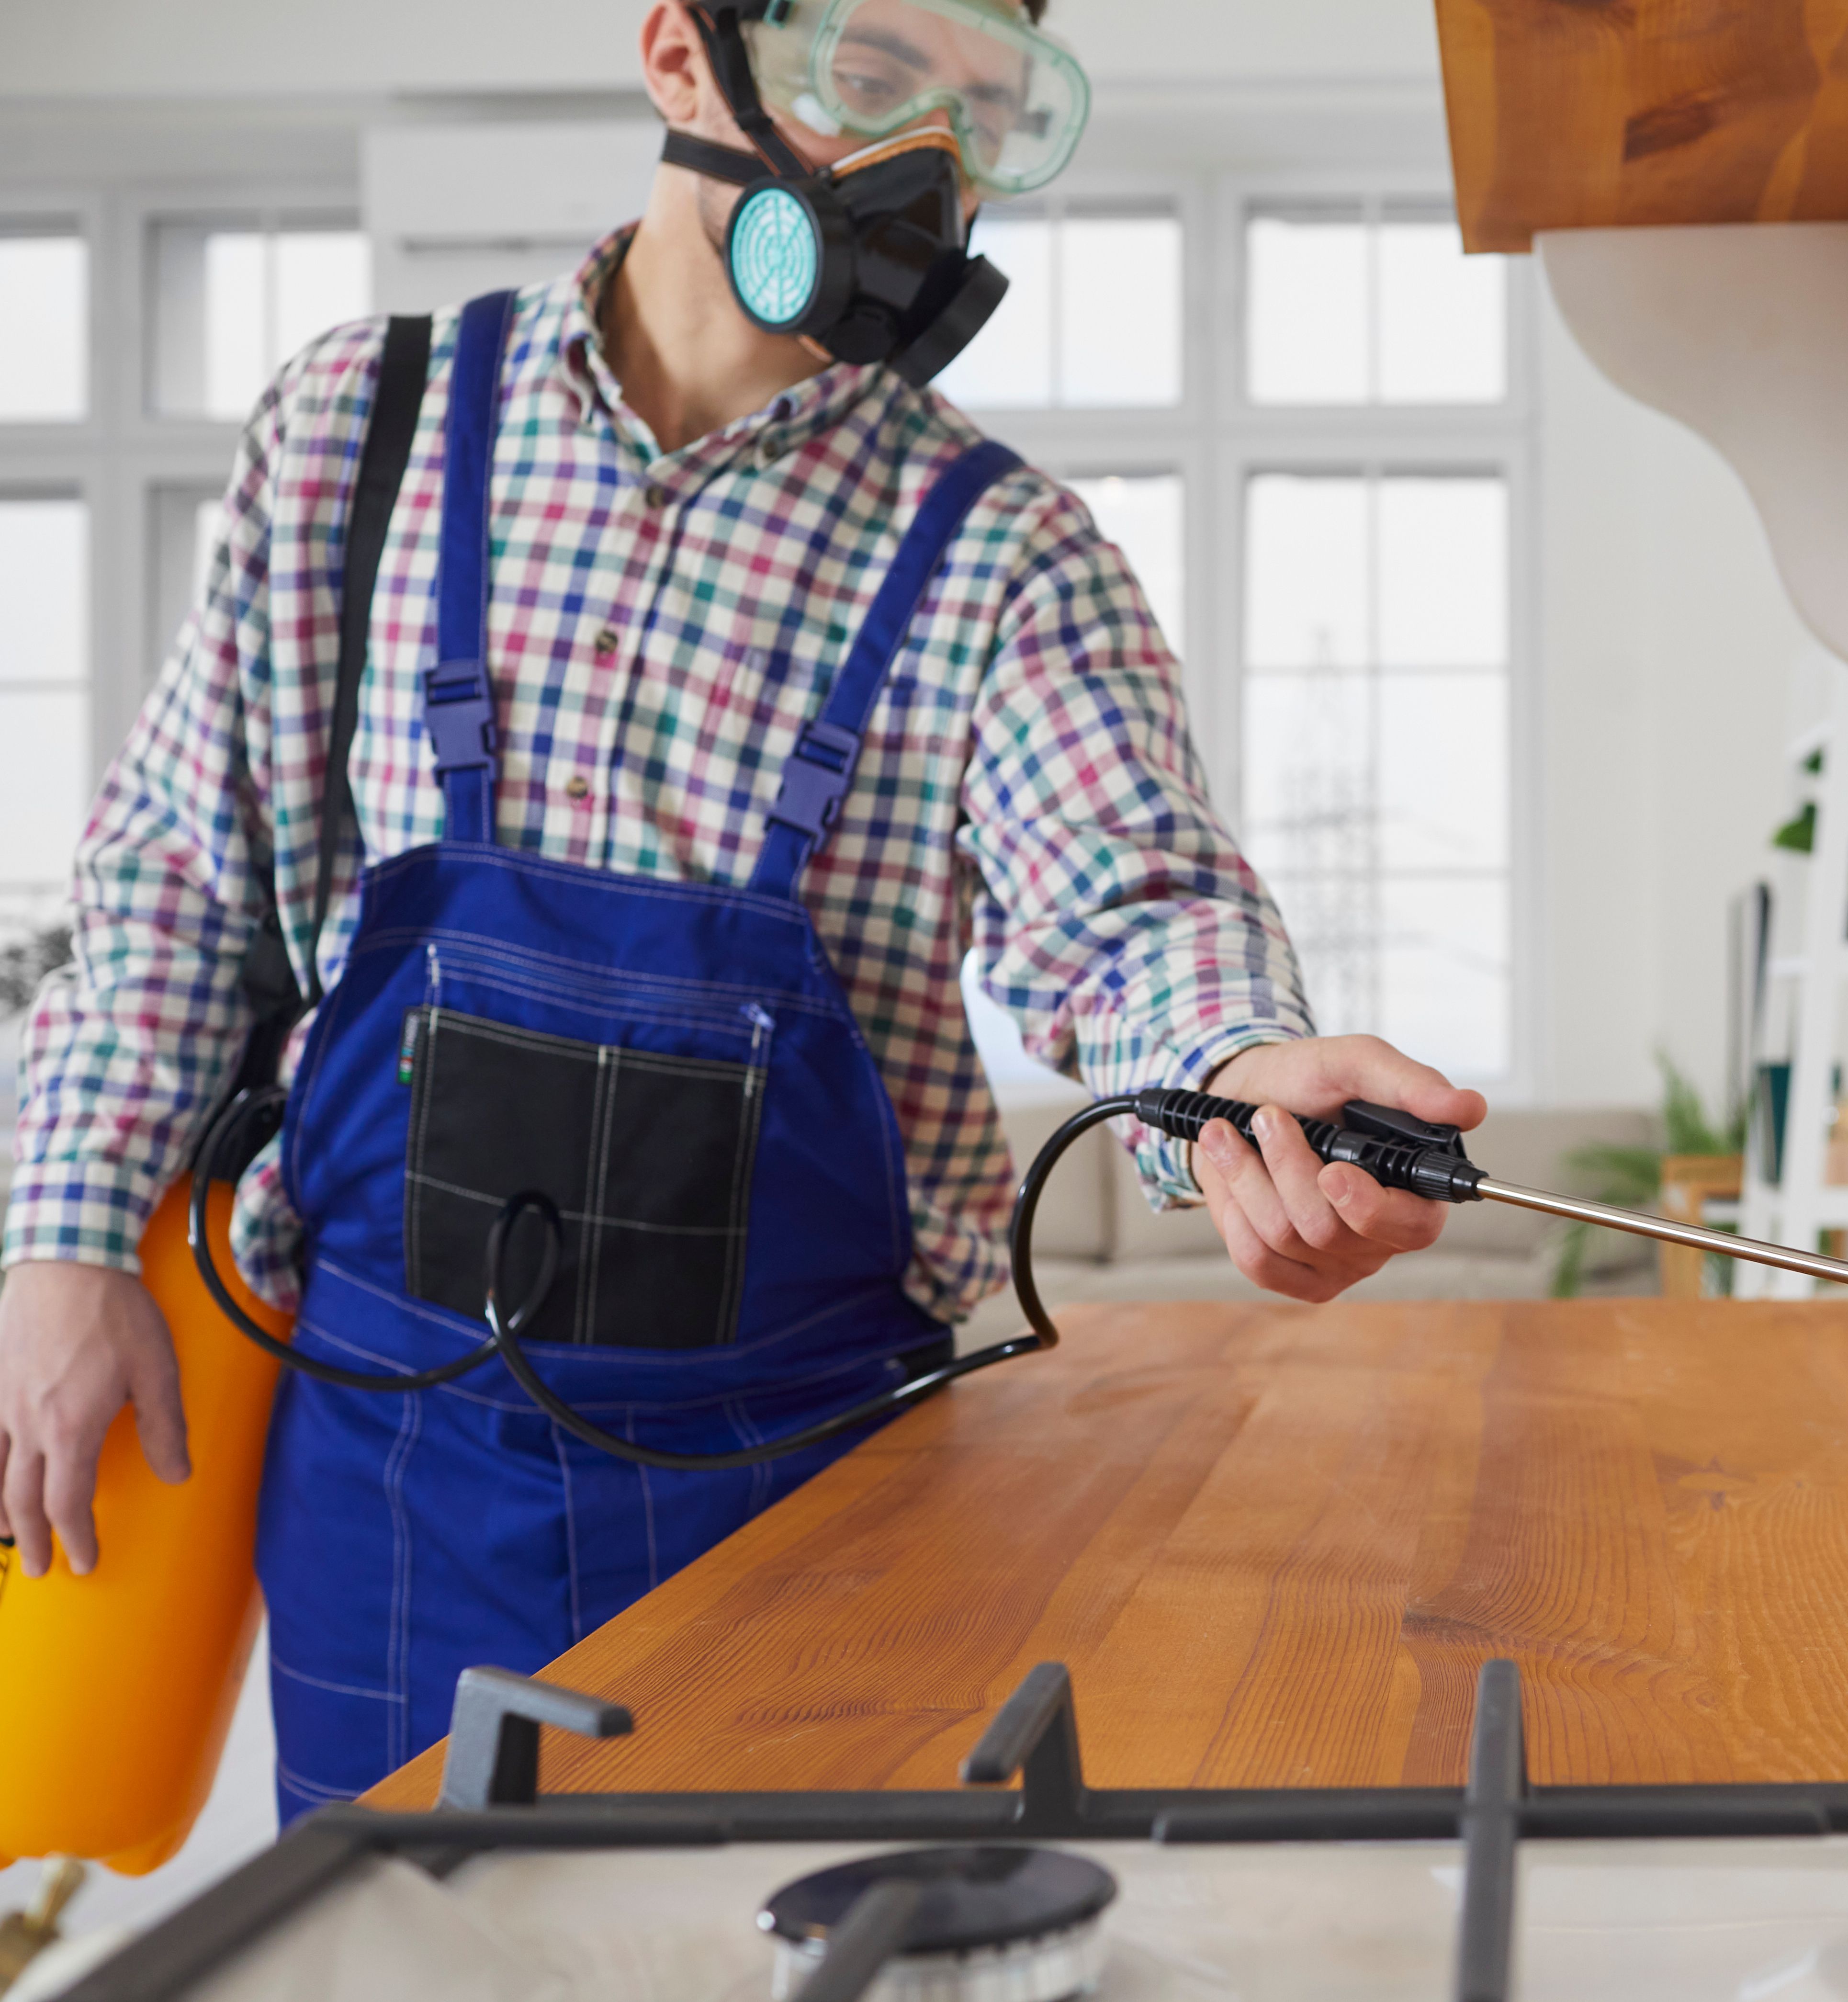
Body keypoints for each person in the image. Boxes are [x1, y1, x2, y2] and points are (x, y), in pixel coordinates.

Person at [0, 0, 1481, 1820]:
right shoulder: (358, 428)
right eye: (868, 82)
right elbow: (177, 871)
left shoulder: (1005, 553)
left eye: (986, 122)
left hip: (814, 1482)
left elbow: (1132, 909)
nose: (918, 171)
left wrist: (1240, 1076)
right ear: (681, 59)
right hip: (392, 1474)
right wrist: (62, 1240)